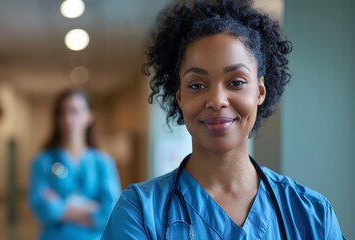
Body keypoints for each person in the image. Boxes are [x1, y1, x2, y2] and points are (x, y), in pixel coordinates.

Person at [101, 1, 345, 239]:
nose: (217, 100)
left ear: (260, 91)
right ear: (180, 98)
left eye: (236, 82)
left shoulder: (312, 214)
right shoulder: (139, 211)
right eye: (197, 85)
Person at [28, 88, 121, 240]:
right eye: (62, 113)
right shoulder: (43, 161)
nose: (67, 119)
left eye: (74, 111)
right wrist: (91, 207)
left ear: (90, 116)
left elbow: (109, 211)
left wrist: (59, 205)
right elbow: (41, 208)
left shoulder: (103, 162)